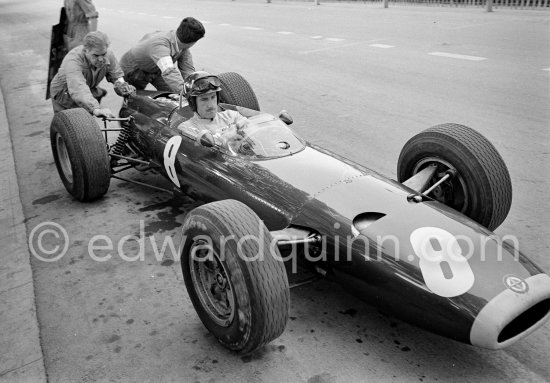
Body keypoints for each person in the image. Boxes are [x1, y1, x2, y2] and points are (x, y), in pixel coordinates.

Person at [49, 31, 136, 118]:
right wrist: (95, 109)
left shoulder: (108, 54)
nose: (101, 59)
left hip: (87, 90)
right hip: (65, 94)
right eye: (96, 55)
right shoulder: (73, 61)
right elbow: (78, 87)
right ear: (86, 50)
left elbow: (116, 75)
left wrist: (123, 87)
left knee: (86, 121)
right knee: (68, 125)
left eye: (103, 54)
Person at [119, 17, 205, 94]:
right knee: (134, 96)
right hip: (134, 70)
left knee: (172, 94)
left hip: (156, 68)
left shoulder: (182, 43)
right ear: (193, 42)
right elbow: (169, 72)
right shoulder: (160, 45)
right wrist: (186, 92)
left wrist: (194, 86)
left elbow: (187, 69)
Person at [177, 71, 247, 146]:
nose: (210, 105)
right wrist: (227, 140)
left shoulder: (232, 116)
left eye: (213, 97)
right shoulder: (187, 128)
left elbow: (255, 132)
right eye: (204, 99)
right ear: (192, 103)